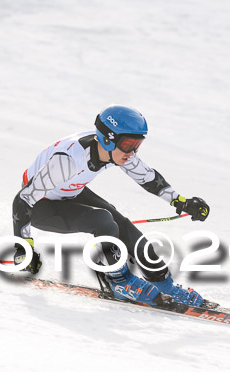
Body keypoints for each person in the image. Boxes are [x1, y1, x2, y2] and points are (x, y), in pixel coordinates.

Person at [11, 105, 210, 306]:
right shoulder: (69, 160)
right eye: (128, 144)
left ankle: (164, 284)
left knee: (120, 224)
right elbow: (23, 199)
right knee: (102, 220)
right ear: (108, 139)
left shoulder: (115, 151)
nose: (132, 152)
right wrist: (23, 248)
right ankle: (119, 281)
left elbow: (148, 178)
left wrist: (181, 202)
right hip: (40, 206)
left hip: (69, 191)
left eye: (137, 144)